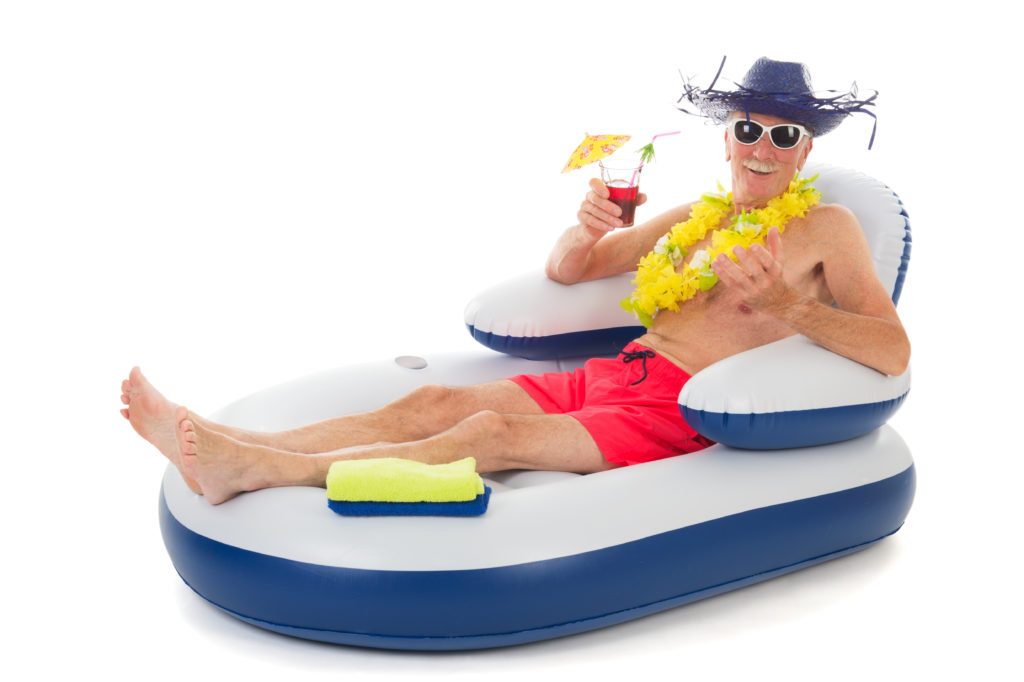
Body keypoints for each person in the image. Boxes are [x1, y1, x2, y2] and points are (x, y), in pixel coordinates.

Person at [121, 57, 909, 504]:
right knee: (433, 403)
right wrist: (586, 226)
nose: (762, 148)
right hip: (616, 374)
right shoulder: (692, 218)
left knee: (484, 436)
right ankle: (236, 443)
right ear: (727, 141)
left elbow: (893, 348)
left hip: (679, 408)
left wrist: (784, 308)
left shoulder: (826, 230)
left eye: (783, 135)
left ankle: (253, 470)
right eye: (748, 130)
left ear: (805, 153)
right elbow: (574, 269)